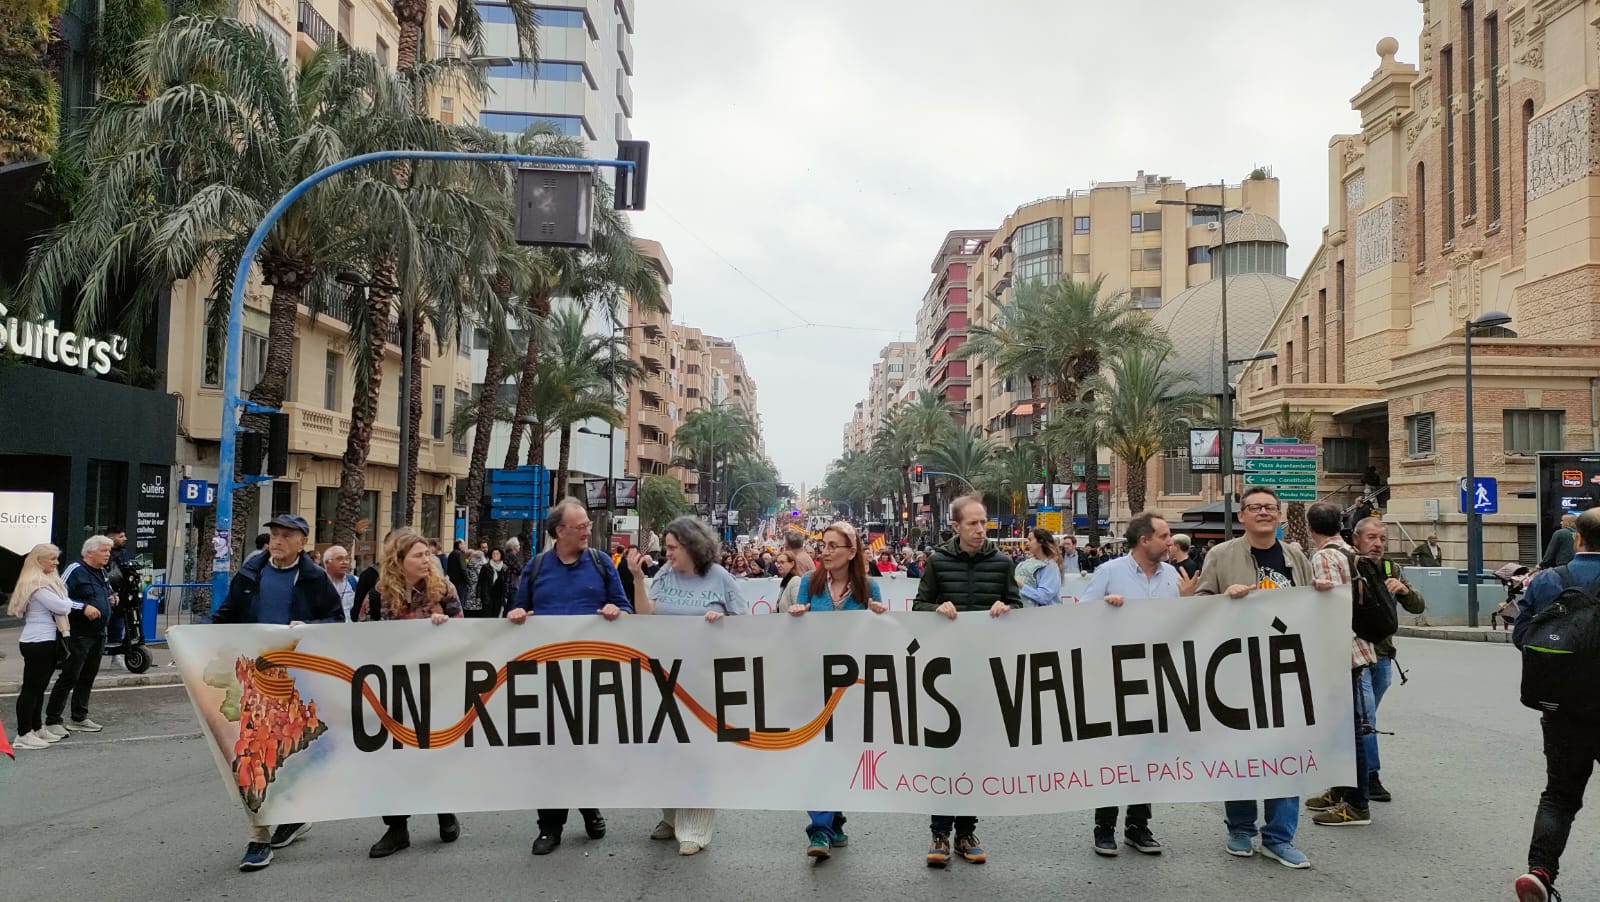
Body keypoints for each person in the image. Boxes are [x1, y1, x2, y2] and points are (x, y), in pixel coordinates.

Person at [1196, 486, 1333, 869]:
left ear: (1280, 515)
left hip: (1287, 673)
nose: (1263, 513)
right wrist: (1226, 598)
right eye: (1255, 508)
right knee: (1240, 754)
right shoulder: (1221, 556)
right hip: (1236, 671)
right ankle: (1240, 829)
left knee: (1286, 755)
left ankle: (1279, 836)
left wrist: (1322, 593)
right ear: (1242, 516)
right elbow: (1199, 605)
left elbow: (1309, 604)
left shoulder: (1295, 555)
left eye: (1270, 508)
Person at [215, 514, 343, 871]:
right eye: (274, 534)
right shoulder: (251, 572)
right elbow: (225, 616)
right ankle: (259, 838)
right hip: (252, 680)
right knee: (252, 755)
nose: (278, 541)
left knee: (292, 754)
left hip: (297, 682)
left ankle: (292, 817)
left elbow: (336, 620)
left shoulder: (314, 578)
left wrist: (310, 627)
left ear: (303, 542)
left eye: (287, 535)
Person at [507, 498, 631, 856]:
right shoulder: (537, 566)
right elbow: (518, 606)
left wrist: (615, 609)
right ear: (560, 531)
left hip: (592, 675)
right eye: (581, 526)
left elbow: (625, 607)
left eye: (588, 525)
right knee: (549, 753)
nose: (588, 531)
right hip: (547, 676)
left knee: (584, 749)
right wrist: (516, 613)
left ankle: (589, 806)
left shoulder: (601, 562)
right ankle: (550, 826)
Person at [623, 515, 748, 856]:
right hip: (664, 678)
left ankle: (694, 826)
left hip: (704, 681)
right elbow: (645, 614)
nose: (667, 554)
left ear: (693, 546)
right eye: (666, 548)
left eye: (673, 547)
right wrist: (637, 578)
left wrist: (722, 623)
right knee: (664, 750)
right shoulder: (664, 574)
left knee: (697, 752)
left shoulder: (719, 578)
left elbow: (745, 623)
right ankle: (671, 815)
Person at [912, 494, 1020, 868]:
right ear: (955, 527)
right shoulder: (938, 562)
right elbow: (918, 606)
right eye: (972, 523)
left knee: (974, 757)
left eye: (983, 522)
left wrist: (1007, 609)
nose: (980, 528)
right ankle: (939, 833)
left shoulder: (1004, 562)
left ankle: (966, 832)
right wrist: (936, 608)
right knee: (945, 757)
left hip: (986, 675)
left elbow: (1019, 609)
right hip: (944, 677)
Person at [1080, 512, 1196, 856]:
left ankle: (1138, 825)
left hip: (1158, 676)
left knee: (1148, 753)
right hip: (1115, 676)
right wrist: (1105, 607)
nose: (1170, 541)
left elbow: (1184, 626)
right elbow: (1079, 618)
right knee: (1114, 754)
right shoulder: (1109, 572)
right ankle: (1105, 827)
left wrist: (1189, 602)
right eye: (1164, 535)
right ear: (1144, 540)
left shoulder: (1174, 576)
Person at [1511, 507, 1600, 902]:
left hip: (1561, 708)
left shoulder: (1548, 580)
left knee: (1560, 795)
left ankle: (1540, 872)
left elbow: (1523, 636)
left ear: (1577, 539)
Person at [786, 522, 888, 859]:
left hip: (850, 690)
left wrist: (879, 618)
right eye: (823, 545)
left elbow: (877, 640)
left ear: (852, 551)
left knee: (841, 755)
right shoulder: (808, 584)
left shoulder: (869, 587)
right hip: (814, 683)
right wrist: (797, 616)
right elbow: (796, 632)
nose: (825, 552)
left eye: (833, 546)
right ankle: (819, 831)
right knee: (818, 755)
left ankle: (835, 819)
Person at [362, 529, 464, 858]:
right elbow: (357, 640)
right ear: (399, 560)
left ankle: (445, 809)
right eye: (418, 555)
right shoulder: (377, 596)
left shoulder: (443, 590)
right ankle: (397, 827)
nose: (426, 560)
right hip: (392, 691)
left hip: (436, 687)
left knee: (435, 752)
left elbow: (467, 632)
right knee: (392, 759)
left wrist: (446, 627)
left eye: (427, 555)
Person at [1300, 502, 1376, 829]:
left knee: (1347, 729)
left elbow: (1332, 605)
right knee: (1341, 725)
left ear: (1309, 527)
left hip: (1338, 652)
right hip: (1357, 646)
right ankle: (1340, 789)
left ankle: (1356, 803)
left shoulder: (1324, 557)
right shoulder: (1349, 551)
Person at [8, 543, 92, 749]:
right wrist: (66, 601)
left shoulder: (45, 581)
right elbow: (61, 605)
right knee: (32, 689)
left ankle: (36, 728)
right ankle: (23, 733)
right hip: (38, 641)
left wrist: (65, 601)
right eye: (52, 559)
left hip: (46, 639)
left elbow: (64, 603)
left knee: (39, 689)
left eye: (57, 558)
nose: (56, 563)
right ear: (39, 560)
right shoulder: (36, 583)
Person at [41, 535, 115, 738]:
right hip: (78, 634)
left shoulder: (102, 571)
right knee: (70, 676)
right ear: (89, 552)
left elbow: (104, 591)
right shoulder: (75, 570)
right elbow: (58, 597)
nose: (107, 554)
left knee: (88, 675)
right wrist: (82, 607)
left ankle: (79, 717)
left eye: (108, 551)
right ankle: (53, 719)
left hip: (99, 633)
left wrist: (110, 599)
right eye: (103, 550)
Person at [1018, 528, 1064, 606]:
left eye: (1030, 540)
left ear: (1040, 541)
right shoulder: (1028, 563)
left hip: (1045, 615)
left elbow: (1044, 597)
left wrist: (1022, 586)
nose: (1027, 543)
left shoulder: (1050, 567)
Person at [321, 545, 358, 621]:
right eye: (339, 559)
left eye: (347, 558)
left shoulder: (355, 581)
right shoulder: (318, 584)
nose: (345, 562)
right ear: (327, 562)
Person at [474, 548, 508, 618]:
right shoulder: (486, 567)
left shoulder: (504, 568)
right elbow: (480, 582)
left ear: (501, 555)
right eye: (493, 554)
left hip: (499, 597)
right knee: (487, 616)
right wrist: (478, 596)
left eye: (497, 554)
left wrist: (505, 596)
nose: (495, 555)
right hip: (488, 596)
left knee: (496, 616)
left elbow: (506, 583)